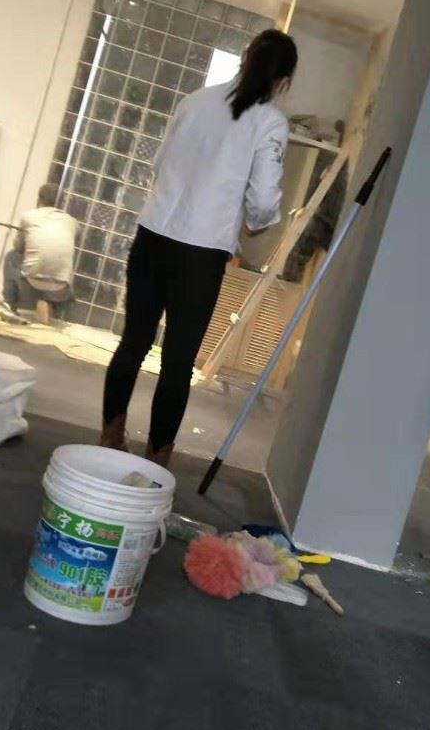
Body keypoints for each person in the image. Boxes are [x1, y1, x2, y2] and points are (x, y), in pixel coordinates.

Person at [101, 28, 299, 467]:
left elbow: (159, 165)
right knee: (178, 361)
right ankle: (155, 463)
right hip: (201, 252)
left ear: (245, 59)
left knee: (133, 341)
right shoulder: (270, 122)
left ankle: (110, 437)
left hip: (153, 234)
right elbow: (264, 199)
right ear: (284, 81)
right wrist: (256, 223)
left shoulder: (194, 101)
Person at [1, 183, 76, 318]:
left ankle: (9, 304)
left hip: (34, 283)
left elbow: (18, 247)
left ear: (39, 199)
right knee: (63, 261)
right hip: (62, 288)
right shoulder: (72, 222)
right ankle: (53, 307)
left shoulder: (29, 216)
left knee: (11, 256)